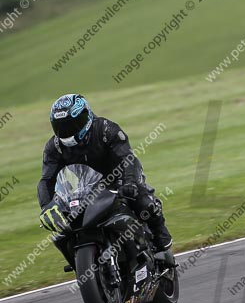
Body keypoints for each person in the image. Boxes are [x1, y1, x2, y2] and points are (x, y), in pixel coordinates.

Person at [38, 94, 175, 264]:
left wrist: (129, 182)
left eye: (73, 124)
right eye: (61, 127)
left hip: (120, 178)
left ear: (87, 116)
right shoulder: (54, 147)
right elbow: (46, 180)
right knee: (64, 227)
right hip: (85, 187)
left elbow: (127, 159)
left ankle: (162, 242)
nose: (67, 131)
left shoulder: (106, 130)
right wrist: (47, 206)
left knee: (143, 201)